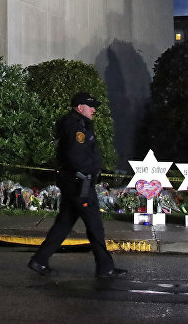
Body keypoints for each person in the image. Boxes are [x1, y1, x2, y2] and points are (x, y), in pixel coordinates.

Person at [28, 91, 127, 278]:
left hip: (74, 182)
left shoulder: (77, 123)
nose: (94, 110)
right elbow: (76, 156)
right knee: (95, 225)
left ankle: (39, 260)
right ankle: (105, 268)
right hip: (79, 183)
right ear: (80, 107)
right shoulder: (76, 126)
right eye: (91, 106)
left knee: (64, 224)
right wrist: (90, 170)